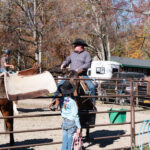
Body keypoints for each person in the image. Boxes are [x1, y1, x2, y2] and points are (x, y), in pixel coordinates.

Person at [49, 38, 96, 110]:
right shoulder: (72, 54)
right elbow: (67, 60)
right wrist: (64, 64)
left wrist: (79, 70)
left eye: (75, 45)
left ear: (80, 46)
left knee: (92, 86)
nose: (74, 47)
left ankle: (93, 103)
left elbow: (87, 64)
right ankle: (54, 102)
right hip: (71, 74)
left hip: (82, 74)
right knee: (59, 85)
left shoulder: (86, 54)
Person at [59, 80, 81, 150]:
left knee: (64, 141)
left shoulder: (62, 100)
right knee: (70, 141)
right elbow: (75, 115)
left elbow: (62, 111)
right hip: (71, 122)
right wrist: (79, 127)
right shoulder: (72, 102)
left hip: (64, 122)